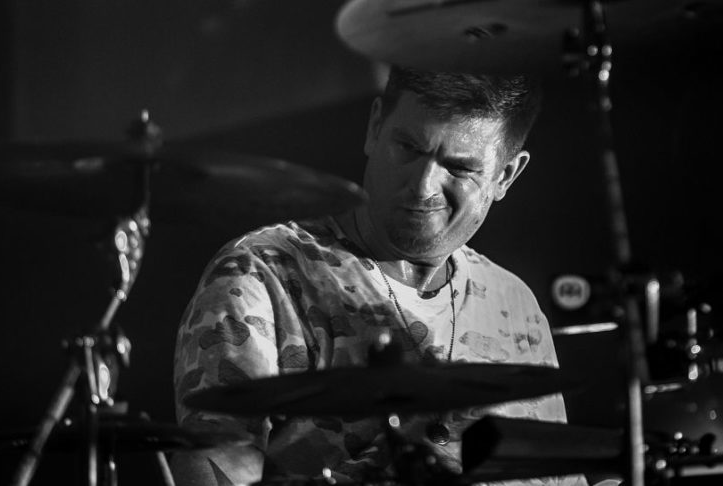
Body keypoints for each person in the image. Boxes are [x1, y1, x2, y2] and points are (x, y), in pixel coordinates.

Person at [171, 66, 587, 486]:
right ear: (374, 128)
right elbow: (214, 476)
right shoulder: (262, 272)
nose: (423, 186)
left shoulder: (514, 303)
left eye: (459, 168)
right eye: (408, 148)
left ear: (506, 175)